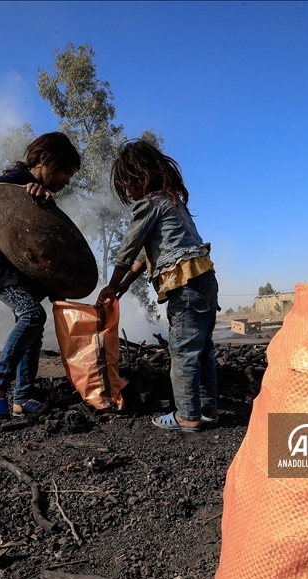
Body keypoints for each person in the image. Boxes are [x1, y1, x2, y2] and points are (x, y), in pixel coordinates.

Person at [96, 139, 219, 432]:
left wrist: (112, 285)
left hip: (185, 284)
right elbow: (143, 256)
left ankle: (187, 416)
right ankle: (208, 410)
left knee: (183, 351)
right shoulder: (172, 202)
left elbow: (128, 250)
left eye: (126, 183)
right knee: (202, 350)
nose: (126, 191)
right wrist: (123, 287)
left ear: (140, 176)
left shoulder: (150, 203)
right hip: (204, 280)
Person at [0, 132, 80, 420]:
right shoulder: (20, 180)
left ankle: (22, 398)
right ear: (46, 160)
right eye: (66, 171)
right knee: (33, 315)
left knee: (33, 329)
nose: (67, 180)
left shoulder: (43, 199)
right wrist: (27, 188)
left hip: (22, 271)